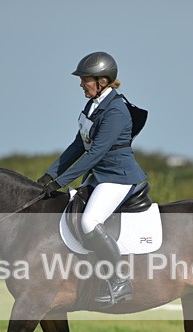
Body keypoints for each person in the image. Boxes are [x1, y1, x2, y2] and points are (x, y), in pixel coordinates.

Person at [38, 51, 148, 306]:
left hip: (118, 177)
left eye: (85, 79)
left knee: (89, 221)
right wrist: (49, 175)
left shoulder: (116, 111)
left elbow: (96, 153)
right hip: (100, 176)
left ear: (102, 80)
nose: (80, 84)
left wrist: (61, 182)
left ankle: (120, 280)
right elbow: (78, 146)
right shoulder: (93, 106)